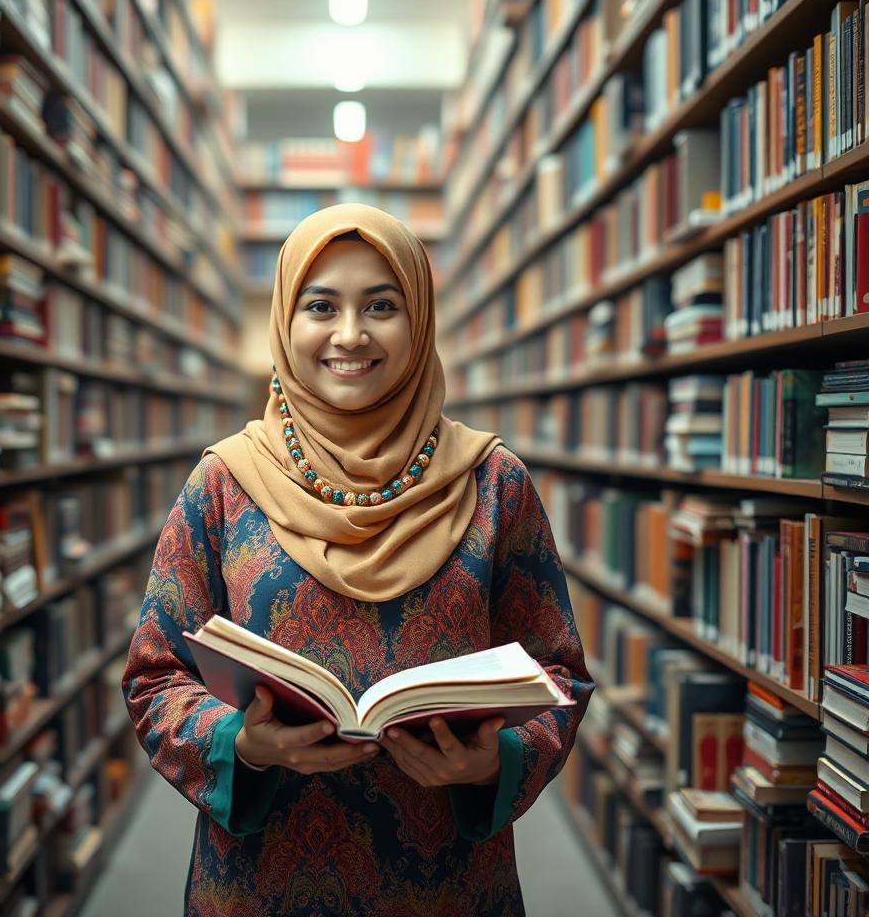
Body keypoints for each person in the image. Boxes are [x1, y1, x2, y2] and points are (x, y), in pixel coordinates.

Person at [123, 203, 593, 916]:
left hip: (448, 885)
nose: (350, 335)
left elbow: (558, 674)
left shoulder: (495, 482)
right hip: (260, 881)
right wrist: (243, 745)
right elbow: (155, 678)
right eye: (321, 305)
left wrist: (499, 759)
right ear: (286, 319)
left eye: (381, 304)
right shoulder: (222, 483)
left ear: (421, 319)